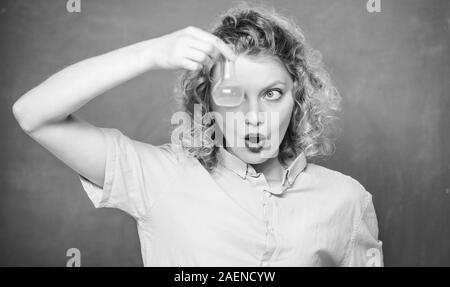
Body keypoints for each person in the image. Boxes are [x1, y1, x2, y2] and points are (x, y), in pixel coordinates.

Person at [12, 4, 383, 267]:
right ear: (207, 102)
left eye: (272, 94)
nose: (254, 117)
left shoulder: (347, 200)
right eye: (232, 94)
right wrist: (151, 53)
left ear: (297, 97)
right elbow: (34, 115)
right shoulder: (160, 177)